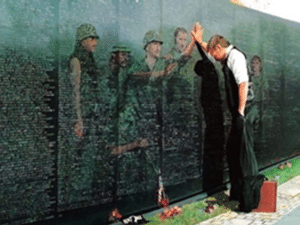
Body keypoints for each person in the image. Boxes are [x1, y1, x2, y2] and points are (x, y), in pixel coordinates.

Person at [192, 23, 260, 204]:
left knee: (245, 155)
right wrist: (199, 42)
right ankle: (238, 194)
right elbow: (209, 48)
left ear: (220, 48)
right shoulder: (225, 54)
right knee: (232, 151)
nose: (213, 58)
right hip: (240, 112)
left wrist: (240, 113)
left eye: (214, 54)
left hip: (245, 111)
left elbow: (243, 84)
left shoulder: (235, 57)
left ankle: (250, 199)